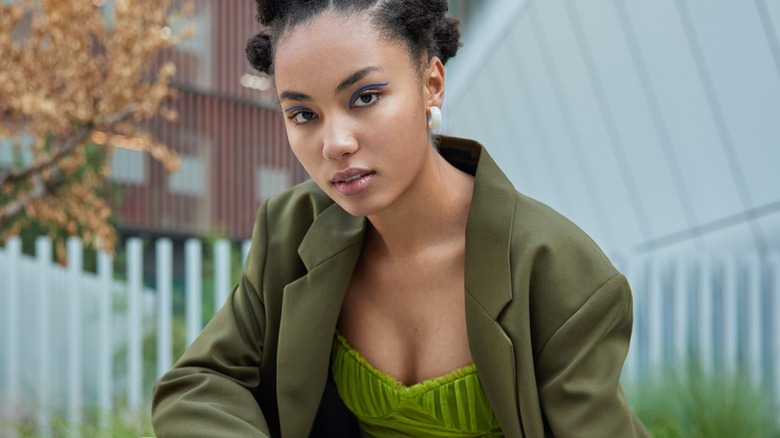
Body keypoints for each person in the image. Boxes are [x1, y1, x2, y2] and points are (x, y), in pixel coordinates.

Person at [151, 1, 649, 436]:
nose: (335, 144)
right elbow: (197, 384)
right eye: (303, 115)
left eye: (365, 97)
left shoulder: (561, 273)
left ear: (432, 85)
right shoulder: (290, 228)